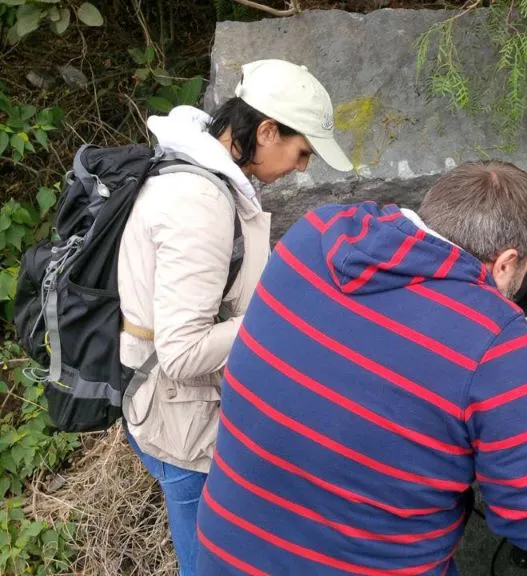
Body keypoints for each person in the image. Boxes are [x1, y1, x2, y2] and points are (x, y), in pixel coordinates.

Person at [196, 161, 527, 574]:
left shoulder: (312, 235)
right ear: (506, 262)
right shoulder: (494, 344)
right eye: (522, 276)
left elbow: (376, 345)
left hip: (227, 556)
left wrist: (490, 350)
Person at [118, 59, 352, 576]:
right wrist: (282, 311)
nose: (303, 167)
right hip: (181, 425)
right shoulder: (199, 201)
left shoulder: (205, 176)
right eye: (302, 151)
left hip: (186, 411)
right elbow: (180, 352)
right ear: (266, 131)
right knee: (208, 566)